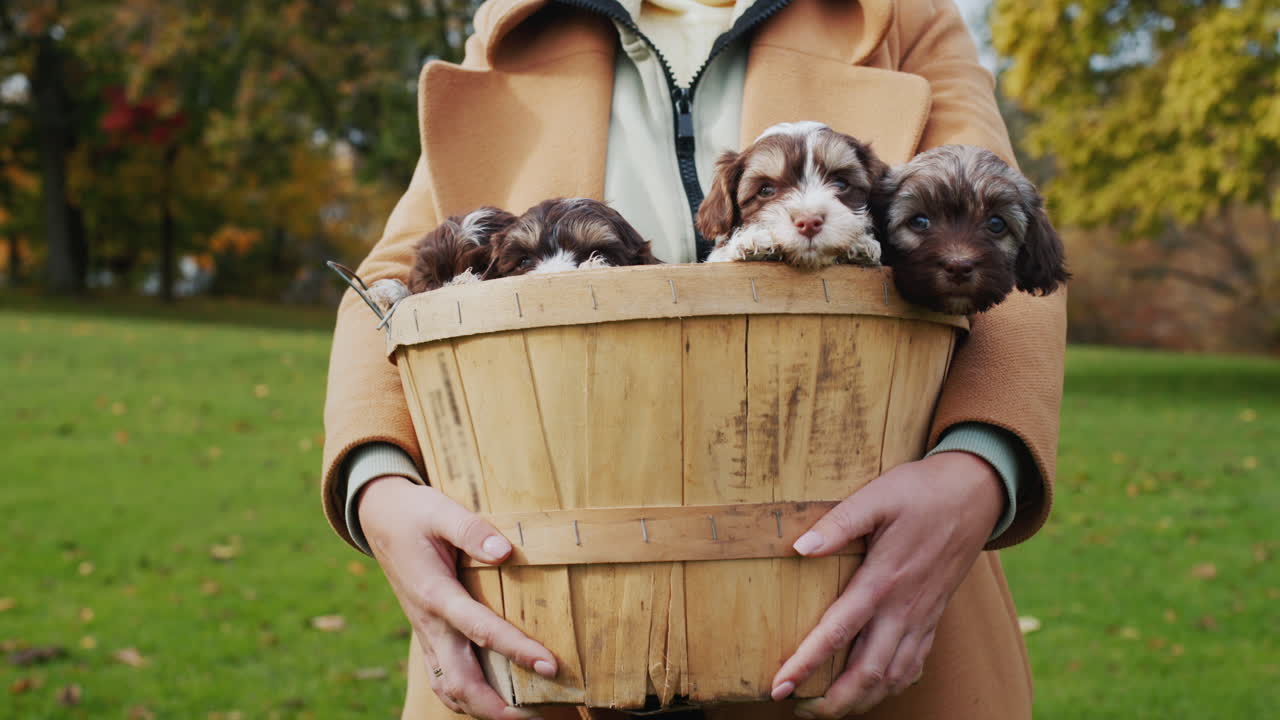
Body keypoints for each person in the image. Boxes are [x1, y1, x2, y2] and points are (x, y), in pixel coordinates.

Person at [321, 0, 1066, 718]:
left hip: (867, 610)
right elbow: (388, 281)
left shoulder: (902, 15)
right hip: (534, 617)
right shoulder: (510, 29)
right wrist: (376, 481)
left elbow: (1007, 227)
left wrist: (975, 468)